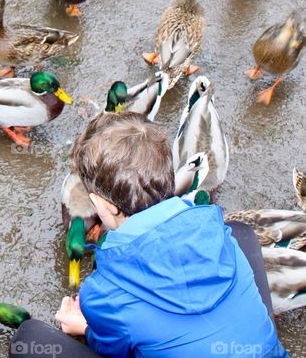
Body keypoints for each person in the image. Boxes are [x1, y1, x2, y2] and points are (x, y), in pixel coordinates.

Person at [48, 116, 287, 357]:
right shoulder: (221, 235)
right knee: (239, 231)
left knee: (30, 336)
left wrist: (86, 328)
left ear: (103, 204)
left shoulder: (102, 293)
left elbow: (112, 351)